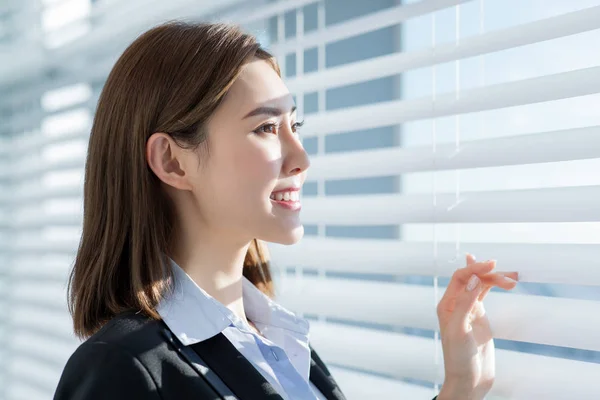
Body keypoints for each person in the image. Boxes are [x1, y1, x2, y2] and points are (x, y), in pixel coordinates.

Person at [53, 22, 518, 400]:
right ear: (173, 161)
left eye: (294, 124)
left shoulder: (281, 344)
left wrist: (460, 389)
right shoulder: (123, 370)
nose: (301, 157)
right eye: (267, 127)